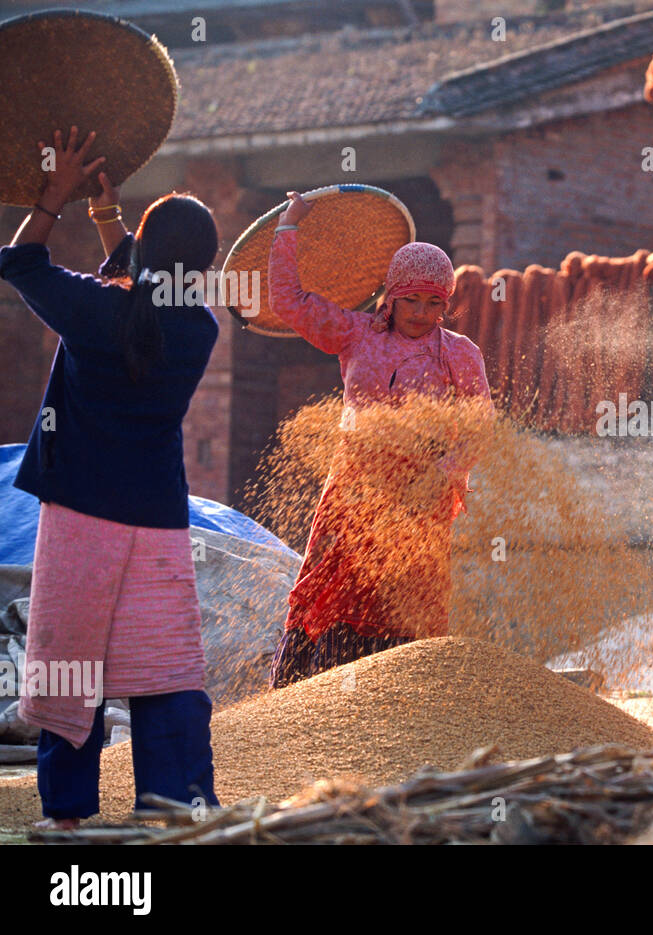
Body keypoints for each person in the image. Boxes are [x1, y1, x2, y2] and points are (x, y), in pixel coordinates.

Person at [0, 127, 220, 827]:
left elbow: (23, 262)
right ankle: (177, 803)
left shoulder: (97, 312)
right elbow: (151, 286)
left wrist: (55, 195)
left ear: (146, 255)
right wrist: (108, 218)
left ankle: (67, 814)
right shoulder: (201, 327)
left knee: (70, 663)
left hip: (81, 514)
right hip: (157, 517)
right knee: (166, 662)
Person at [267, 191, 492, 688]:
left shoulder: (459, 353)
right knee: (332, 586)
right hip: (354, 488)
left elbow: (480, 421)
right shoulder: (356, 334)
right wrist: (289, 226)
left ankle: (401, 700)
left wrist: (449, 470)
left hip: (422, 497)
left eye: (435, 303)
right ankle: (309, 696)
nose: (422, 312)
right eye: (411, 299)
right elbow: (289, 301)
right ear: (391, 294)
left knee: (405, 597)